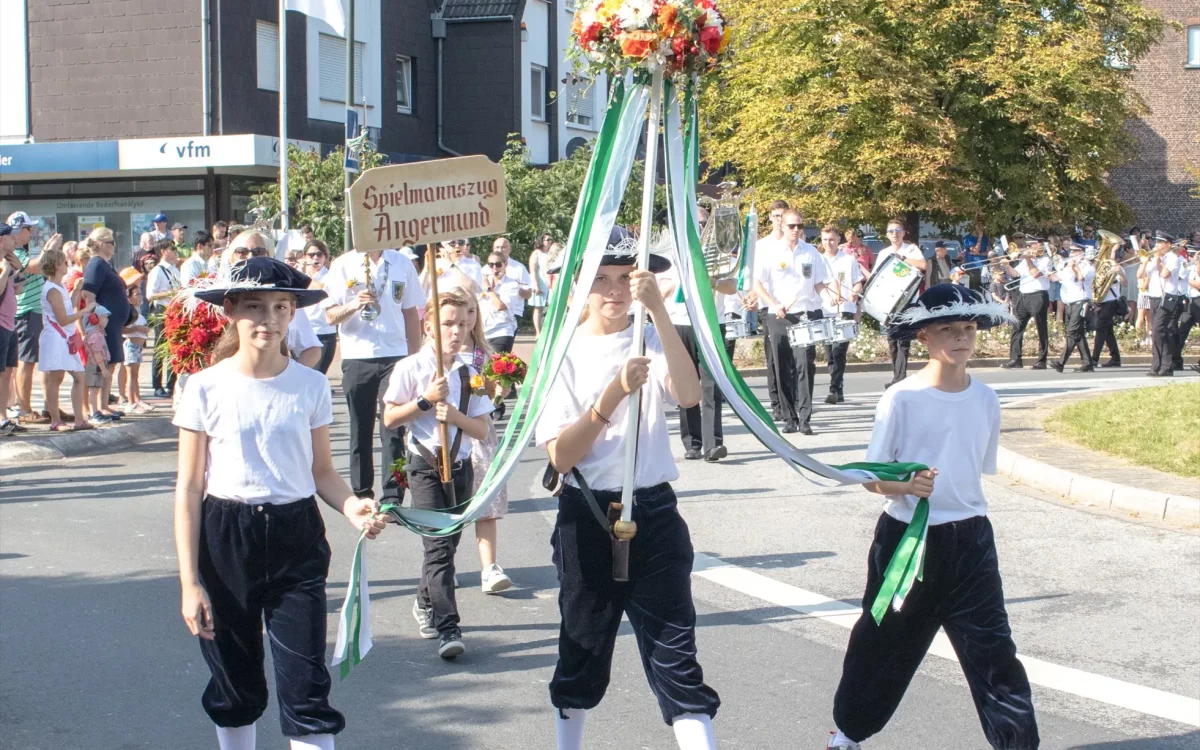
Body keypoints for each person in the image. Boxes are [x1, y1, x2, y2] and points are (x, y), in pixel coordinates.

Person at [173, 256, 386, 750]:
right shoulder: (205, 387)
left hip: (296, 535)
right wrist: (189, 582)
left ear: (294, 314)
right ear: (230, 310)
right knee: (234, 679)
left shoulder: (309, 385)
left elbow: (321, 473)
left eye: (280, 307)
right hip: (226, 537)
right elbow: (188, 487)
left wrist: (353, 506)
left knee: (306, 684)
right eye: (255, 307)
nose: (268, 319)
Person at [826, 283, 1038, 750]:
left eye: (968, 328)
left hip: (971, 544)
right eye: (948, 330)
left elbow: (975, 467)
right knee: (884, 643)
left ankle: (1017, 742)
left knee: (994, 653)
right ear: (924, 336)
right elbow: (871, 475)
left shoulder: (984, 398)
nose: (961, 338)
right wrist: (904, 485)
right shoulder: (902, 398)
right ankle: (849, 732)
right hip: (908, 543)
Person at [534, 242, 720, 750]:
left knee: (676, 653)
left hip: (654, 509)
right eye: (602, 279)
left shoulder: (651, 339)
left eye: (625, 278)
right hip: (588, 513)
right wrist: (613, 394)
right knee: (583, 651)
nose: (615, 290)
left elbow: (688, 394)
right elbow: (561, 457)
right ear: (579, 287)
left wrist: (659, 310)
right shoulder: (562, 354)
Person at [382, 289, 494, 659]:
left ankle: (424, 599)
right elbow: (390, 417)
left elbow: (481, 429)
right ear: (429, 325)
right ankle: (450, 628)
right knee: (438, 548)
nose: (457, 331)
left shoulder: (470, 372)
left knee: (449, 546)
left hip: (459, 467)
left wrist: (456, 416)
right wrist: (426, 400)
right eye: (448, 323)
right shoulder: (410, 368)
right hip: (425, 466)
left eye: (464, 323)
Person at [323, 243, 423, 505]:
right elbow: (330, 316)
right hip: (358, 356)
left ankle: (393, 496)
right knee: (360, 428)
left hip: (395, 354)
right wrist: (355, 303)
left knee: (393, 427)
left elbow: (411, 312)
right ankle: (362, 494)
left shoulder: (400, 263)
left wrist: (415, 357)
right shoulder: (342, 264)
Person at [456, 294, 514, 593]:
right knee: (449, 500)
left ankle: (489, 567)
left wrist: (502, 386)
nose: (464, 320)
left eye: (470, 312)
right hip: (446, 434)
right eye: (457, 314)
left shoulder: (485, 354)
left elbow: (494, 397)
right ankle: (443, 563)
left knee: (485, 499)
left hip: (479, 433)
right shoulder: (433, 354)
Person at [756, 209, 828, 434]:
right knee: (782, 366)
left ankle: (805, 417)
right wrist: (773, 303)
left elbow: (818, 283)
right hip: (778, 315)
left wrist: (829, 295)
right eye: (791, 226)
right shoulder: (770, 252)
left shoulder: (811, 252)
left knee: (804, 365)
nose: (796, 230)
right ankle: (789, 417)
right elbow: (757, 283)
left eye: (799, 226)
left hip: (805, 314)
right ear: (782, 226)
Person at [37, 246, 95, 432]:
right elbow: (62, 319)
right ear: (55, 266)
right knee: (55, 379)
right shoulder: (52, 289)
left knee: (79, 376)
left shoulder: (59, 286)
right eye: (63, 262)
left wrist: (76, 291)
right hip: (55, 338)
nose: (66, 264)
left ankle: (79, 419)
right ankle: (56, 420)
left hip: (64, 338)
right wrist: (85, 311)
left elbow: (67, 309)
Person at [79, 227, 132, 424]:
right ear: (101, 244)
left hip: (112, 324)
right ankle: (96, 408)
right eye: (111, 242)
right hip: (101, 326)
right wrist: (95, 321)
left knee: (111, 362)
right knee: (100, 363)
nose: (114, 246)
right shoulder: (95, 264)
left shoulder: (105, 264)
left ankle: (104, 404)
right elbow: (88, 295)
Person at [872, 219, 927, 387]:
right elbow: (876, 277)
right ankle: (897, 376)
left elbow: (923, 265)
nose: (895, 234)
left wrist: (902, 258)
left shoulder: (911, 249)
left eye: (898, 230)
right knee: (892, 339)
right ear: (887, 235)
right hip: (890, 301)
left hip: (907, 300)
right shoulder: (883, 253)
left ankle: (900, 378)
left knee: (903, 340)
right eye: (891, 231)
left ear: (903, 233)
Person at [8, 212, 47, 425]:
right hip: (26, 311)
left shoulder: (21, 250)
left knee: (29, 361)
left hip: (33, 310)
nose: (31, 232)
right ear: (19, 230)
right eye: (28, 228)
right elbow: (37, 267)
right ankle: (24, 408)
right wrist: (48, 249)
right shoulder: (14, 250)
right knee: (26, 361)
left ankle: (26, 406)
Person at [819, 225, 863, 404]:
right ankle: (839, 387)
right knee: (830, 352)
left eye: (831, 239)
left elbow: (858, 282)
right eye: (825, 240)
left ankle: (834, 389)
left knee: (839, 351)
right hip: (824, 310)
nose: (828, 243)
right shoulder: (818, 260)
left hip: (845, 309)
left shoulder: (848, 260)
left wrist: (854, 291)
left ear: (838, 239)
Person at [759, 200, 790, 419]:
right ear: (770, 217)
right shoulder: (762, 245)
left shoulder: (795, 243)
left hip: (790, 306)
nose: (779, 220)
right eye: (776, 215)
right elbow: (754, 277)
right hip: (768, 306)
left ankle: (792, 400)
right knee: (773, 356)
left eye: (783, 216)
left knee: (793, 357)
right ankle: (777, 402)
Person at [1001, 237, 1051, 370]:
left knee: (1041, 327)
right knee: (1017, 327)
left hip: (1038, 295)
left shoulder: (1045, 260)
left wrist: (1028, 259)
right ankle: (1015, 359)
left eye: (1033, 245)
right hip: (1023, 296)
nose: (1029, 247)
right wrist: (1007, 265)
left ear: (1039, 246)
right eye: (1028, 245)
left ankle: (1042, 360)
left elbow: (1035, 273)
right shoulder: (1024, 261)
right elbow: (1016, 274)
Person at [1050, 243, 1095, 373]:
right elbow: (1056, 277)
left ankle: (1060, 362)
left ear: (1082, 253)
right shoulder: (1068, 266)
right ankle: (1087, 363)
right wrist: (1047, 274)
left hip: (1081, 302)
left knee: (1072, 332)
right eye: (1072, 251)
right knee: (1078, 334)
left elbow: (1081, 278)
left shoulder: (1088, 267)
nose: (1072, 254)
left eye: (1075, 252)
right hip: (1069, 303)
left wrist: (1074, 266)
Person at [147, 238, 182, 398]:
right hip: (161, 309)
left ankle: (171, 383)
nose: (175, 251)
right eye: (171, 249)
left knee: (173, 347)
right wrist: (170, 293)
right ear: (163, 252)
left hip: (174, 309)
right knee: (160, 347)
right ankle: (157, 384)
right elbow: (150, 295)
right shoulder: (157, 271)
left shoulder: (175, 269)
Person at [1146, 232, 1184, 377]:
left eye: (1160, 243)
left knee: (1159, 329)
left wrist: (1159, 261)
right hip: (1154, 297)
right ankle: (1157, 365)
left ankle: (1167, 365)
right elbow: (1145, 273)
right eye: (1156, 243)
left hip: (1168, 297)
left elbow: (1165, 274)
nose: (1157, 246)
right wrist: (1147, 260)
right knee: (1157, 331)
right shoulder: (1156, 258)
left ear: (1168, 244)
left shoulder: (1174, 258)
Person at [0, 225, 26, 436]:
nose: (15, 240)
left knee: (7, 373)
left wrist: (17, 275)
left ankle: (4, 417)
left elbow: (17, 290)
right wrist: (6, 270)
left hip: (10, 323)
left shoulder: (8, 262)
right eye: (11, 237)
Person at [118, 268, 153, 413]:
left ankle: (137, 399)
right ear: (129, 297)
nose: (140, 297)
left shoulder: (137, 311)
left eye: (141, 294)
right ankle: (130, 401)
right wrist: (137, 329)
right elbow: (122, 329)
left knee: (136, 376)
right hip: (131, 345)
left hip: (138, 347)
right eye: (137, 294)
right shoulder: (128, 311)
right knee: (131, 376)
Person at [302, 240, 339, 375]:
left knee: (317, 373)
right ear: (305, 257)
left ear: (325, 257)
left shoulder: (330, 275)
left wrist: (302, 277)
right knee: (300, 376)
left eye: (319, 254)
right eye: (311, 255)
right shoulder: (300, 275)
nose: (315, 258)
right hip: (302, 331)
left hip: (323, 332)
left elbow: (321, 289)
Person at [480, 250, 522, 354]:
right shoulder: (482, 282)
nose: (494, 268)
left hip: (502, 331)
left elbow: (500, 306)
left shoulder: (511, 284)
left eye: (498, 264)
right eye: (491, 265)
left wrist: (489, 289)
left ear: (505, 264)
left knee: (495, 367)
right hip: (483, 333)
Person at [1090, 247, 1125, 368]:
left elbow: (1125, 283)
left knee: (1100, 329)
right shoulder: (1098, 268)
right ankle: (1115, 358)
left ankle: (1094, 359)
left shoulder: (1118, 268)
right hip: (1100, 302)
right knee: (1108, 331)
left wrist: (1119, 272)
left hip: (1111, 302)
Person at [491, 237, 534, 322]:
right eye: (497, 247)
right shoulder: (486, 269)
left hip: (512, 313)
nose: (500, 250)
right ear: (493, 249)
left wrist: (513, 288)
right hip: (491, 313)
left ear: (509, 249)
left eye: (503, 247)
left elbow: (528, 294)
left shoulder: (519, 268)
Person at [1178, 244, 1200, 373]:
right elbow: (1180, 278)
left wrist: (1192, 283)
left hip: (1198, 300)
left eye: (1194, 255)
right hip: (1189, 301)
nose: (1191, 257)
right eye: (1190, 255)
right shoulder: (1187, 265)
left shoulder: (1196, 266)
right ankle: (1175, 360)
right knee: (1182, 330)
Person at [528, 233, 554, 336]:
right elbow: (533, 270)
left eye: (551, 239)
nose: (550, 241)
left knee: (551, 307)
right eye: (548, 239)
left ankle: (548, 331)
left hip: (551, 284)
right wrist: (536, 285)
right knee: (538, 308)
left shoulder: (552, 253)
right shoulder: (537, 253)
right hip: (540, 283)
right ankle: (538, 332)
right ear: (541, 241)